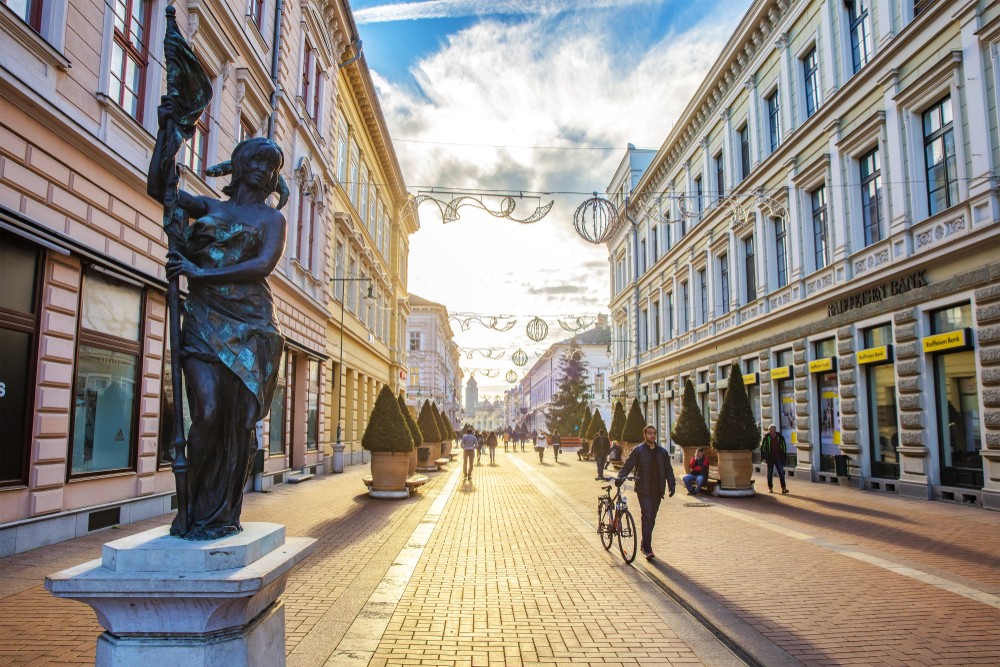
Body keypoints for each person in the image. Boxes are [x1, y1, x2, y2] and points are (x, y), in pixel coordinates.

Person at [148, 99, 285, 541]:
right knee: (206, 412)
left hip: (252, 324)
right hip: (204, 318)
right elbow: (162, 190)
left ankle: (222, 512)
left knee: (241, 423)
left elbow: (263, 265)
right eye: (257, 161)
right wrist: (167, 134)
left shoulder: (272, 219)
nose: (263, 171)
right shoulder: (208, 207)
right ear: (241, 165)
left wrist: (201, 273)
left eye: (271, 166)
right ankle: (191, 509)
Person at [616, 425, 676, 560]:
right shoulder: (638, 450)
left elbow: (668, 469)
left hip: (658, 490)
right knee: (647, 515)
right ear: (644, 435)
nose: (652, 435)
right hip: (643, 489)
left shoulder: (662, 452)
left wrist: (671, 484)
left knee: (651, 518)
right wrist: (621, 477)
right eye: (650, 433)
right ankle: (647, 548)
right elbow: (628, 465)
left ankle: (644, 543)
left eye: (654, 433)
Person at [761, 424, 789, 494]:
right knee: (770, 473)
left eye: (771, 430)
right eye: (769, 430)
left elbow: (784, 446)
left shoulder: (780, 437)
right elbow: (763, 448)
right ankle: (770, 488)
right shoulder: (766, 437)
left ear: (774, 430)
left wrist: (784, 455)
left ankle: (784, 488)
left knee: (781, 472)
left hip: (778, 457)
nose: (769, 431)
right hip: (770, 458)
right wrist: (764, 457)